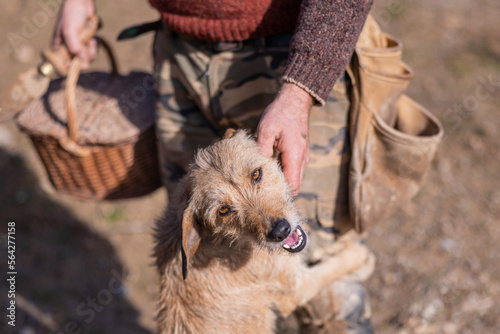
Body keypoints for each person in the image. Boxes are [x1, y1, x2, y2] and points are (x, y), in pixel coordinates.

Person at [53, 0, 375, 333]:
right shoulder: (191, 220)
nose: (269, 222)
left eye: (256, 175)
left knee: (333, 288)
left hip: (288, 48)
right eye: (225, 211)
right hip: (177, 49)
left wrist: (301, 88)